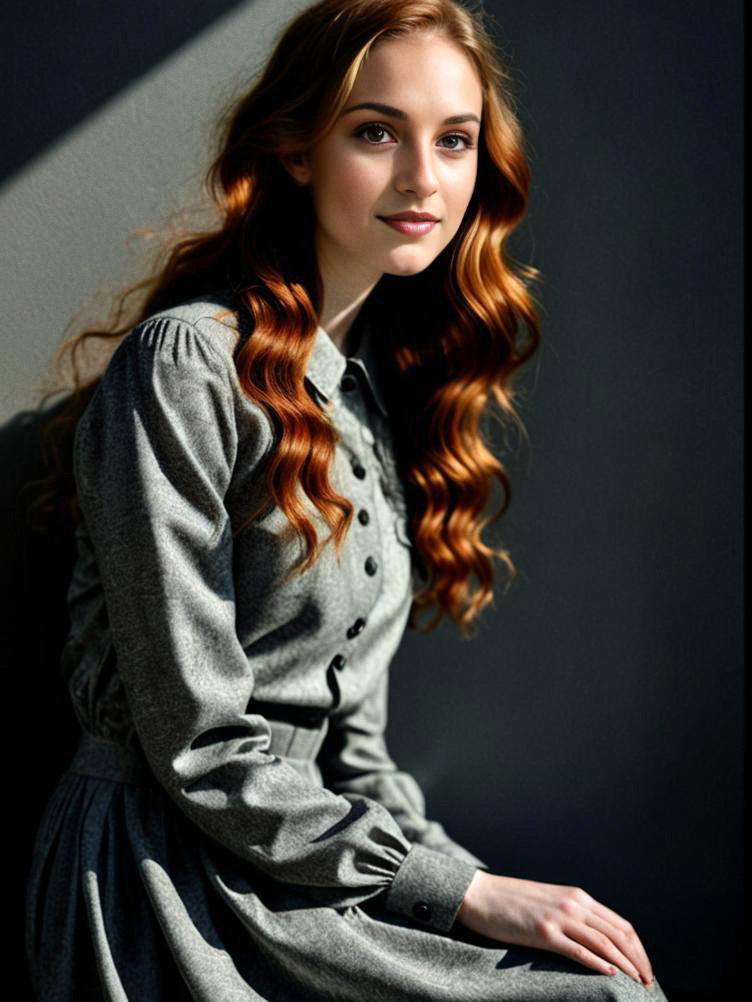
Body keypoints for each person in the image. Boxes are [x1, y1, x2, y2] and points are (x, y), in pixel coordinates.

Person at [24, 1, 669, 999]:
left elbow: (351, 749)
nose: (423, 179)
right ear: (293, 151)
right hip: (171, 881)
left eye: (452, 141)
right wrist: (462, 895)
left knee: (602, 981)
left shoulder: (362, 396)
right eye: (376, 133)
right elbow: (196, 741)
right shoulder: (187, 365)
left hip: (310, 865)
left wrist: (469, 884)